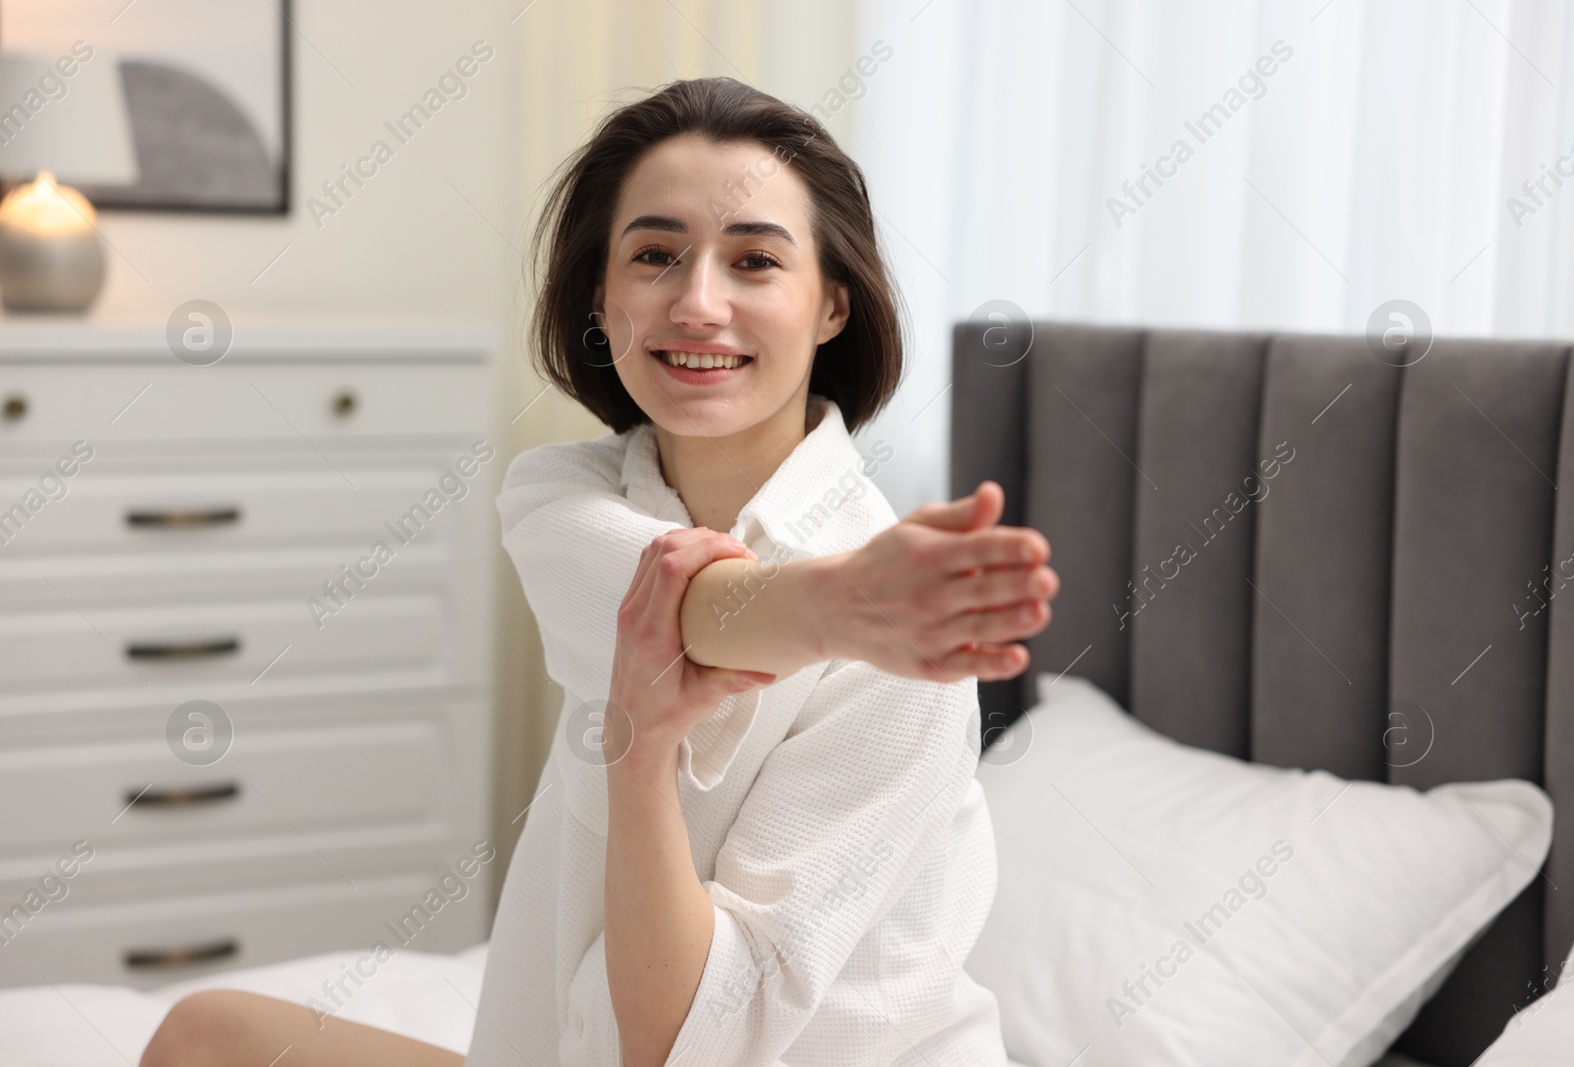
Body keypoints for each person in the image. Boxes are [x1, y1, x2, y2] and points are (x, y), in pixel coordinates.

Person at [139, 75, 1056, 1067]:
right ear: (601, 297)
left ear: (831, 303)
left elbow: (681, 1038)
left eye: (754, 261)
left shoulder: (903, 654)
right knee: (208, 1034)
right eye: (655, 255)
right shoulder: (565, 499)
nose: (698, 303)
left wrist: (641, 753)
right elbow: (678, 603)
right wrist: (832, 605)